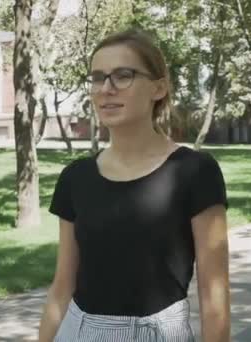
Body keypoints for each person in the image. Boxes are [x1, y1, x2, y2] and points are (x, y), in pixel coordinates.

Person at [38, 28, 230, 342]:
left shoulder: (194, 172)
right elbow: (62, 286)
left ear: (159, 88)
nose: (106, 89)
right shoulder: (76, 177)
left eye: (123, 75)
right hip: (77, 332)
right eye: (98, 77)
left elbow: (215, 296)